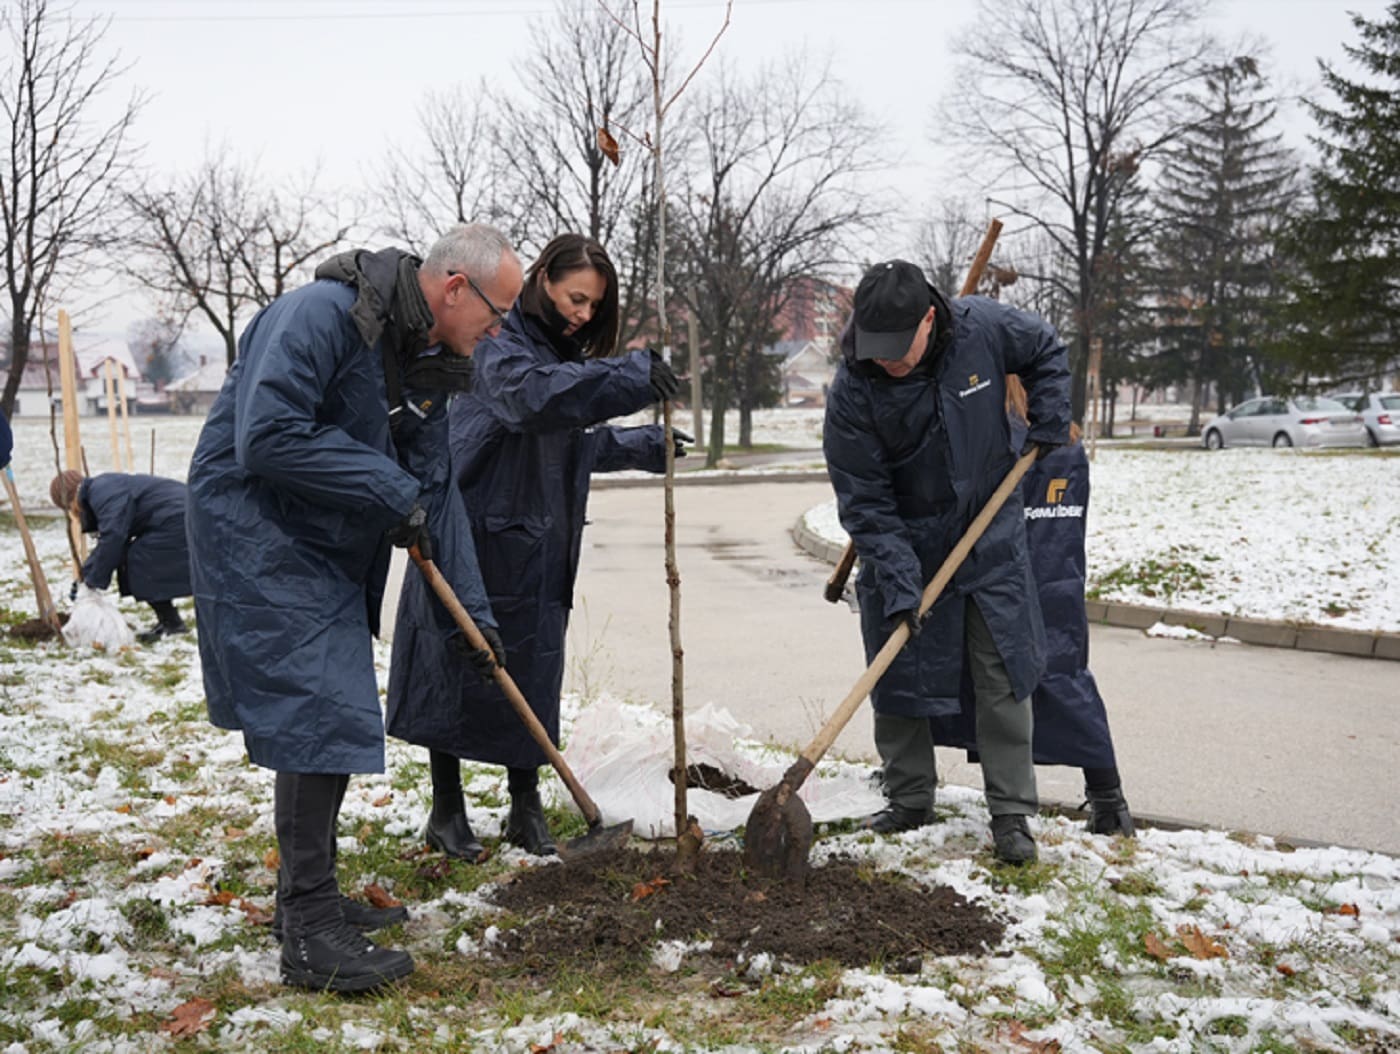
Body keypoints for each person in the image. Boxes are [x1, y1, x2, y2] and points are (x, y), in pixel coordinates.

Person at [185, 223, 521, 993]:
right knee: (321, 707)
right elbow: (265, 436)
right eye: (498, 315)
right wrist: (384, 490)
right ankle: (308, 931)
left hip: (324, 540)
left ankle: (310, 902)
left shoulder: (424, 363)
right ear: (453, 289)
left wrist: (474, 615)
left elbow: (433, 492)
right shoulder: (320, 315)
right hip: (257, 530)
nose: (498, 334)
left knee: (329, 708)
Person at [387, 232, 684, 860]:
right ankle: (447, 811)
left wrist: (640, 447)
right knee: (461, 664)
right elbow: (529, 402)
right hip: (472, 529)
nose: (582, 314)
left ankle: (526, 810)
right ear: (542, 278)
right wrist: (629, 375)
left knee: (532, 669)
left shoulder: (554, 352)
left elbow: (568, 439)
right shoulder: (498, 341)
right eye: (576, 298)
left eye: (593, 308)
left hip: (537, 540)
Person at [823, 259, 1070, 865]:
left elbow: (1045, 349)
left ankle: (1013, 815)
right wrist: (901, 577)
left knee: (1003, 673)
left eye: (899, 349)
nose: (888, 362)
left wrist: (1051, 412)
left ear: (930, 319)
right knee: (897, 670)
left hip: (990, 532)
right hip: (902, 537)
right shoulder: (853, 389)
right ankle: (909, 798)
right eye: (877, 349)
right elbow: (865, 500)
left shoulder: (982, 329)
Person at [928, 378, 1134, 837]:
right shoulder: (1066, 443)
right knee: (1064, 680)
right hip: (1055, 582)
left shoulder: (999, 445)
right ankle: (1109, 798)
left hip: (1005, 583)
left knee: (970, 678)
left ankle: (910, 783)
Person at [49, 470, 192, 643]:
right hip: (179, 514)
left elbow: (114, 537)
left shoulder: (101, 493)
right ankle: (169, 621)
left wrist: (92, 582)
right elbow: (112, 539)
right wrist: (86, 574)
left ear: (71, 502)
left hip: (177, 517)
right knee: (136, 559)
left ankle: (172, 624)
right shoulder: (100, 489)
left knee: (140, 561)